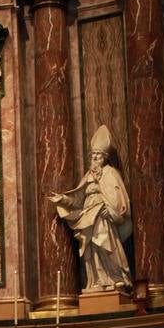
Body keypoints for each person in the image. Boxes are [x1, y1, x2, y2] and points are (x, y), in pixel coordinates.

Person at [48, 125, 133, 293]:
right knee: (90, 250)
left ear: (105, 157)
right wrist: (63, 199)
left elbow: (120, 200)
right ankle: (97, 280)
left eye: (98, 155)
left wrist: (111, 211)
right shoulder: (88, 176)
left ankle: (117, 278)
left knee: (104, 244)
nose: (94, 158)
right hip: (88, 217)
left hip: (103, 216)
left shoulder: (111, 173)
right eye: (93, 154)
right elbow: (79, 199)